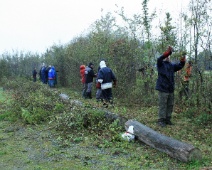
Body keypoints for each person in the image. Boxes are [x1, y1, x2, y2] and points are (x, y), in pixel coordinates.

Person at [155, 46, 186, 127]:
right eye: (167, 56)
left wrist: (183, 59)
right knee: (163, 105)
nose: (168, 57)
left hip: (170, 88)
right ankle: (161, 120)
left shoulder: (172, 65)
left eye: (169, 56)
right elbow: (160, 58)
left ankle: (167, 119)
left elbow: (180, 66)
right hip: (162, 88)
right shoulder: (160, 64)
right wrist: (168, 52)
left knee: (170, 104)